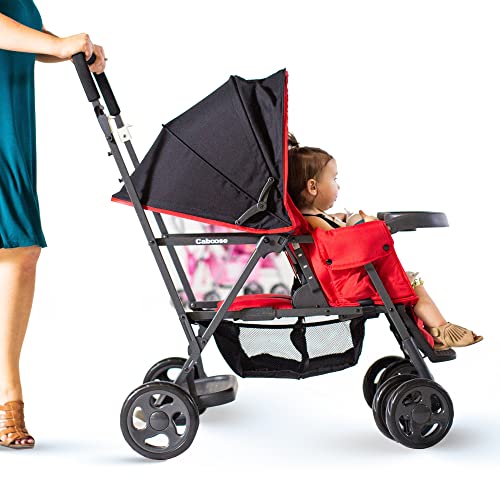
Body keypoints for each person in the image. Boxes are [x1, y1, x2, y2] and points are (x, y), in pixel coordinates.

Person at [0, 1, 106, 449]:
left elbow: (22, 34)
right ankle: (8, 397)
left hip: (12, 127)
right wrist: (60, 45)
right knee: (17, 249)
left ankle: (5, 393)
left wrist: (66, 48)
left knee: (20, 251)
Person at [287, 132, 483, 351]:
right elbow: (339, 244)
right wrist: (367, 227)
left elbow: (334, 228)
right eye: (334, 179)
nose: (338, 187)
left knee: (408, 282)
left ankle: (434, 331)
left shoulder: (317, 218)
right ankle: (440, 328)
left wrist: (347, 219)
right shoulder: (314, 221)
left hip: (346, 279)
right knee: (408, 283)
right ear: (313, 187)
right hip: (346, 285)